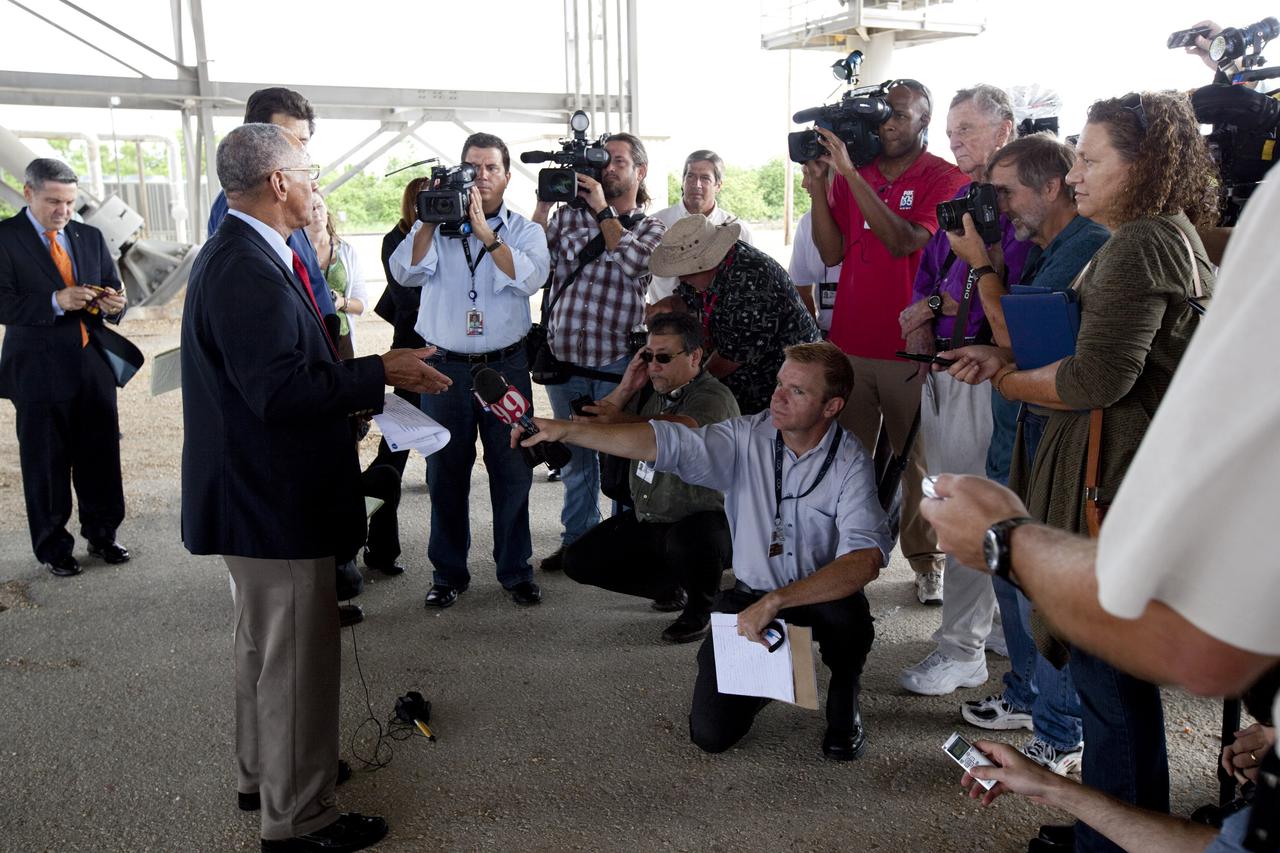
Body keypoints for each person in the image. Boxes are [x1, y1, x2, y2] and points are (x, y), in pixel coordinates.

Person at [936, 91, 1220, 853]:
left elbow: (1095, 379)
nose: (1078, 171)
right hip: (1117, 476)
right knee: (1108, 683)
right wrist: (1007, 356)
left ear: (1147, 163)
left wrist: (1006, 381)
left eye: (1093, 158)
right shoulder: (1158, 235)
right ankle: (1112, 823)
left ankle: (1114, 839)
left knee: (1108, 678)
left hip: (1109, 489)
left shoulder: (1138, 242)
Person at [180, 122, 448, 852]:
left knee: (263, 651)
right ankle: (299, 818)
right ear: (278, 183)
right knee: (296, 660)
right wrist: (379, 372)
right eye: (308, 171)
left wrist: (360, 382)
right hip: (273, 498)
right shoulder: (243, 266)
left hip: (260, 491)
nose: (315, 184)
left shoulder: (247, 252)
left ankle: (262, 774)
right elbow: (278, 391)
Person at [514, 341, 893, 760]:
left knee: (849, 619)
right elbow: (664, 442)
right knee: (711, 735)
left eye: (797, 391)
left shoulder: (850, 461)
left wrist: (780, 600)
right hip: (752, 594)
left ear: (831, 406)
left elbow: (865, 559)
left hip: (817, 593)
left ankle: (845, 691)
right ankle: (772, 673)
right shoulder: (746, 435)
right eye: (780, 383)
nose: (777, 396)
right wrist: (565, 430)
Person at [946, 133, 1108, 811]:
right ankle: (1026, 693)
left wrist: (982, 266)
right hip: (1021, 441)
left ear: (1051, 187)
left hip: (1055, 450)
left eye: (1007, 189)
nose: (998, 204)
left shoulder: (1090, 245)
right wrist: (993, 351)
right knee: (1010, 570)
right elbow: (1024, 344)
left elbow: (1030, 344)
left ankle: (1058, 727)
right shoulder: (1047, 250)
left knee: (1042, 581)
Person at [803, 78, 968, 603]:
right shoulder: (860, 172)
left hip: (908, 347)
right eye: (884, 115)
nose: (889, 124)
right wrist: (819, 192)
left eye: (902, 115)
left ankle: (926, 561)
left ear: (925, 120)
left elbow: (904, 242)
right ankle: (849, 555)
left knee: (913, 462)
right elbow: (830, 254)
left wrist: (849, 175)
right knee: (847, 458)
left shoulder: (944, 176)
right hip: (849, 342)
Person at [897, 85, 1032, 695]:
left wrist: (967, 291)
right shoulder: (958, 198)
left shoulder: (1021, 204)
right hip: (945, 373)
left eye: (968, 129)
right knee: (966, 504)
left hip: (990, 377)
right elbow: (930, 280)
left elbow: (1019, 295)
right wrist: (929, 306)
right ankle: (994, 626)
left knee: (973, 511)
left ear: (1005, 130)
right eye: (951, 131)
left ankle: (963, 648)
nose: (955, 140)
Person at [390, 132, 551, 608]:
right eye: (471, 167)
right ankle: (448, 574)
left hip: (504, 367)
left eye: (490, 169)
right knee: (445, 473)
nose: (480, 177)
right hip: (444, 369)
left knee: (512, 471)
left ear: (505, 176)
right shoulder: (435, 228)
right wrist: (425, 221)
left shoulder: (524, 230)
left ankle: (516, 571)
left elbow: (529, 279)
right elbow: (405, 273)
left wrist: (486, 234)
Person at [559, 312, 739, 644]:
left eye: (664, 357)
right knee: (579, 560)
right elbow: (599, 420)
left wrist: (623, 418)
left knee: (689, 540)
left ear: (695, 356)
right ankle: (673, 587)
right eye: (648, 356)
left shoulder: (712, 396)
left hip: (708, 523)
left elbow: (682, 429)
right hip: (654, 518)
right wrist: (628, 384)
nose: (653, 365)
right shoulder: (654, 388)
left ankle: (701, 609)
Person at [534, 133, 666, 570]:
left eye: (619, 161)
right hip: (565, 358)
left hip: (616, 363)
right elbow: (533, 266)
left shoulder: (652, 228)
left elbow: (634, 266)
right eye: (602, 160)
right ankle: (578, 544)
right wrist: (542, 204)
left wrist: (602, 211)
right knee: (574, 458)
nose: (608, 167)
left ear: (639, 171)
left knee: (621, 461)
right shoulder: (568, 219)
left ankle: (624, 550)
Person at [0, 158, 130, 577]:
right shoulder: (5, 238)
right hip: (36, 370)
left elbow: (113, 287)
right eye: (54, 201)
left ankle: (103, 534)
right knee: (46, 461)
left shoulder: (89, 236)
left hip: (91, 364)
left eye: (70, 202)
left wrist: (115, 305)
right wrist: (57, 301)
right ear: (28, 193)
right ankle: (54, 548)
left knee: (101, 454)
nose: (63, 210)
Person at [649, 215, 820, 415]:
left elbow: (729, 358)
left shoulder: (752, 281)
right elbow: (688, 300)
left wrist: (684, 384)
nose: (682, 277)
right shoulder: (712, 269)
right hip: (746, 382)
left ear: (708, 261)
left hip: (781, 388)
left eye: (686, 270)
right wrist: (668, 306)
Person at [207, 86, 335, 318]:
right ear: (252, 140)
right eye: (284, 141)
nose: (296, 152)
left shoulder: (288, 200)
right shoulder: (238, 210)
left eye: (302, 142)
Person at [370, 176, 430, 480]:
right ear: (412, 202)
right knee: (403, 420)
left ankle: (436, 476)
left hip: (443, 344)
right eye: (425, 197)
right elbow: (404, 298)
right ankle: (383, 479)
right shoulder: (395, 239)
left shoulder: (445, 233)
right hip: (411, 341)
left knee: (442, 417)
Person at [647, 149, 754, 303]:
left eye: (705, 178)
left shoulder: (738, 230)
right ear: (683, 181)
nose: (696, 184)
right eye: (690, 176)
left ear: (718, 185)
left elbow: (746, 284)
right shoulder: (655, 224)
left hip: (720, 323)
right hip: (665, 323)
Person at [306, 194, 367, 359]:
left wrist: (341, 302)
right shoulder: (293, 251)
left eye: (319, 206)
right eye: (310, 208)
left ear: (327, 212)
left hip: (341, 338)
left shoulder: (347, 251)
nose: (316, 212)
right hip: (308, 339)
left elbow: (361, 305)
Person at [788, 166, 842, 333]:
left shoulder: (869, 218)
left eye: (809, 174)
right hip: (827, 334)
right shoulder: (807, 223)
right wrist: (815, 337)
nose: (804, 184)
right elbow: (800, 288)